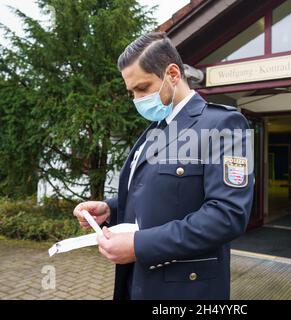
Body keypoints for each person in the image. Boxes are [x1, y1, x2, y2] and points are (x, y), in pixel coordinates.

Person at [73, 32, 254, 300]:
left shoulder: (223, 125)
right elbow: (155, 194)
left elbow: (227, 215)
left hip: (184, 290)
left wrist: (139, 245)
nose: (136, 99)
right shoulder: (155, 129)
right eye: (131, 92)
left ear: (172, 74)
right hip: (138, 281)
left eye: (143, 88)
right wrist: (110, 209)